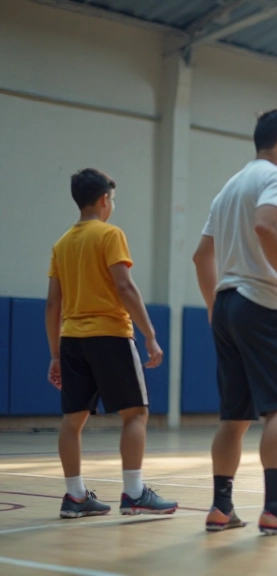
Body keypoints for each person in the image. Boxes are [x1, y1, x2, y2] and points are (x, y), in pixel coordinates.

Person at [192, 108, 277, 534]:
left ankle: (221, 507)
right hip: (263, 302)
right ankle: (276, 507)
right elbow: (266, 227)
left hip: (228, 304)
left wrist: (214, 305)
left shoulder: (229, 186)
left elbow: (201, 256)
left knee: (233, 416)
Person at [47, 168, 176, 519]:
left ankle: (75, 496)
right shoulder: (109, 234)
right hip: (109, 335)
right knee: (135, 414)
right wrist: (149, 334)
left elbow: (52, 304)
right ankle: (134, 492)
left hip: (72, 340)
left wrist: (55, 355)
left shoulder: (62, 244)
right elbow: (124, 286)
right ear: (105, 199)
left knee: (72, 421)